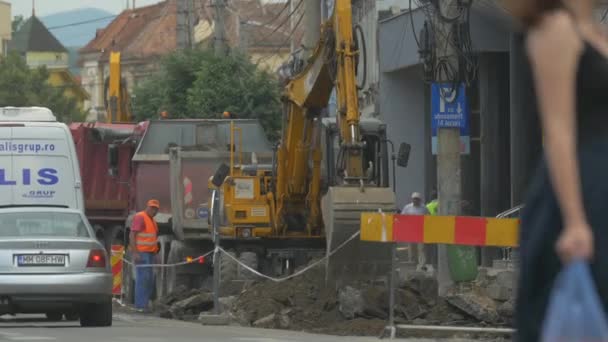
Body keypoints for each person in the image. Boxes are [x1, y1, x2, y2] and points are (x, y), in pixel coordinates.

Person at [506, 1, 606, 340]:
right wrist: (575, 221)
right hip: (581, 195)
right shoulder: (556, 29)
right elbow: (558, 132)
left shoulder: (598, 33)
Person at [130, 199, 160, 312]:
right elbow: (132, 235)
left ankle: (144, 304)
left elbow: (153, 239)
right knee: (143, 279)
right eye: (152, 207)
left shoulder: (152, 221)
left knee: (149, 279)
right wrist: (135, 252)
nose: (154, 210)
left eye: (156, 208)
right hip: (142, 253)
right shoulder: (140, 217)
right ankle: (140, 306)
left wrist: (156, 253)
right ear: (147, 207)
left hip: (150, 254)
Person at [401, 192, 430, 270]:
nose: (415, 200)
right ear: (412, 199)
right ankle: (412, 262)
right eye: (414, 199)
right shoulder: (407, 207)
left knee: (421, 248)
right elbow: (402, 218)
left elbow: (429, 218)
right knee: (411, 247)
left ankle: (422, 264)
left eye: (417, 199)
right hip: (410, 231)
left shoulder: (424, 208)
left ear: (420, 200)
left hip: (421, 231)